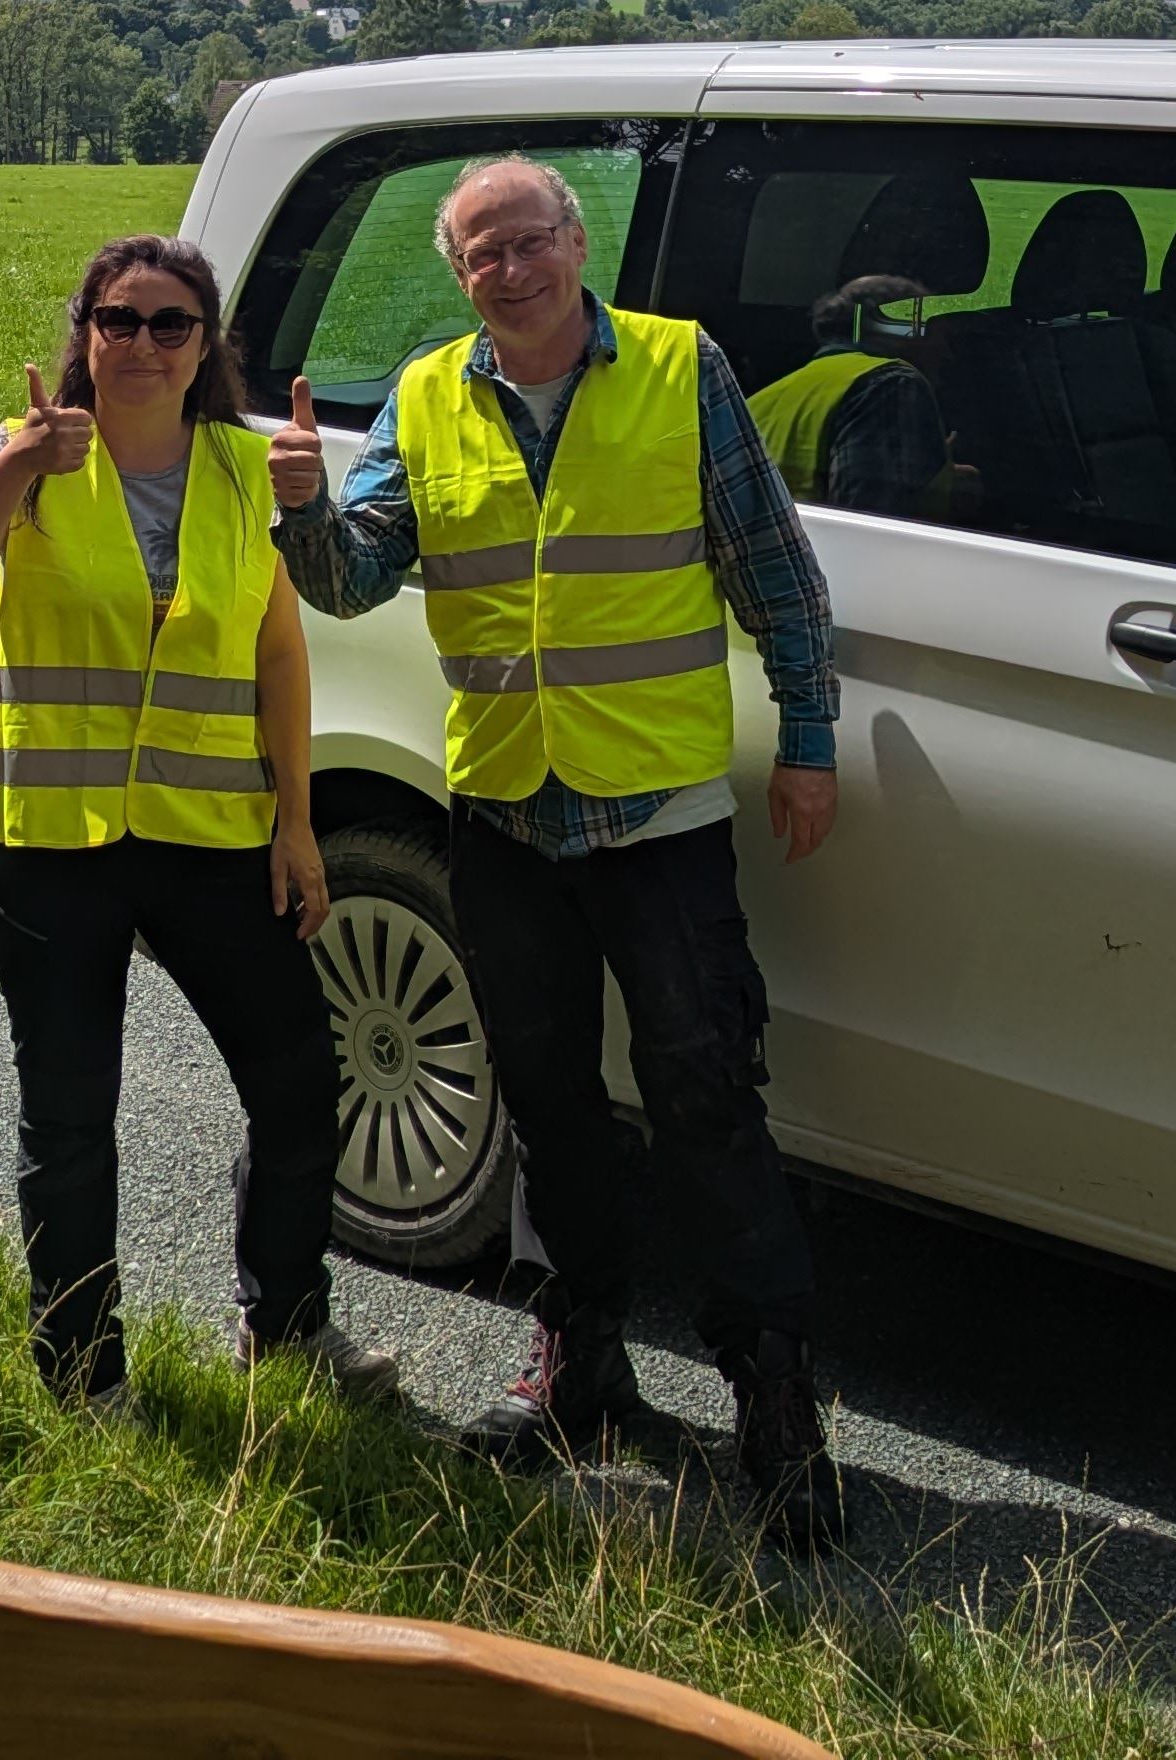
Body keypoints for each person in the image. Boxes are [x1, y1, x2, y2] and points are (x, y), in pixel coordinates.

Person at [270, 155, 850, 1551]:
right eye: (481, 254)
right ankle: (581, 1367)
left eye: (528, 240)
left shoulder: (679, 368)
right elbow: (353, 575)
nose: (509, 269)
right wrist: (301, 507)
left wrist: (810, 736)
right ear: (458, 274)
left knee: (708, 1100)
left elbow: (774, 568)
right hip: (506, 813)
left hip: (655, 814)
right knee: (547, 1108)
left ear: (577, 243)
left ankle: (775, 1405)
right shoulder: (424, 395)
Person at [0, 232, 387, 1411]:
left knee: (297, 1082)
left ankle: (286, 1325)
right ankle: (82, 1372)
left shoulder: (244, 467)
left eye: (171, 322)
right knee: (70, 1116)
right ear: (85, 333)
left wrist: (297, 824)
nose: (141, 342)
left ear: (205, 342)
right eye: (117, 318)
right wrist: (19, 468)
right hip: (52, 840)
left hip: (211, 835)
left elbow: (278, 650)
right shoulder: (22, 450)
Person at [739, 273, 948, 518]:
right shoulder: (889, 383)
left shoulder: (757, 401)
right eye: (934, 333)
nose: (946, 351)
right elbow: (868, 517)